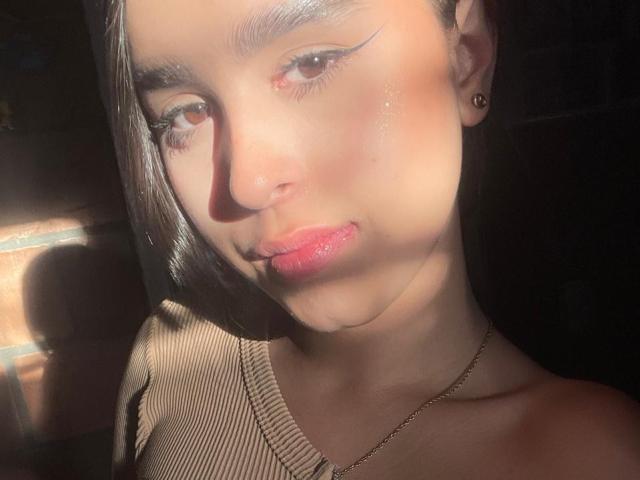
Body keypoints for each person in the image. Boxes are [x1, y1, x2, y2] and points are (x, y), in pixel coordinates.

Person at [106, 0, 640, 478]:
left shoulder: (594, 458)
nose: (247, 183)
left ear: (466, 55)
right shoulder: (174, 356)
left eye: (311, 64)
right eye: (187, 114)